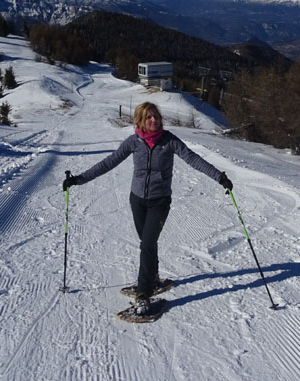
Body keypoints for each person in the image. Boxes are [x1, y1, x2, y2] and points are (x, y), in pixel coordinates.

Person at [62, 101, 232, 316]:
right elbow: (109, 162)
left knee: (147, 243)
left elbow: (193, 159)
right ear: (140, 120)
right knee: (147, 243)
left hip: (160, 201)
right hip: (137, 200)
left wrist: (220, 177)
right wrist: (78, 180)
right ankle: (152, 278)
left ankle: (144, 293)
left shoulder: (169, 141)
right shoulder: (133, 142)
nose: (154, 120)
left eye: (156, 116)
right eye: (149, 117)